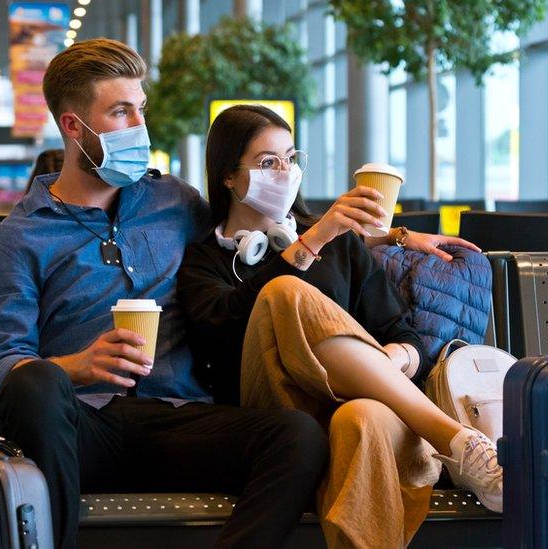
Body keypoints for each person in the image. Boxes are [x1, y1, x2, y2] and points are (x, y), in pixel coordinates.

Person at [0, 39, 331, 549]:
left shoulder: (174, 202)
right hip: (81, 428)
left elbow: (261, 228)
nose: (139, 127)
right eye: (120, 112)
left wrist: (397, 237)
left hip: (178, 420)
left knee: (297, 437)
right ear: (73, 126)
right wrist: (76, 365)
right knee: (36, 385)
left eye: (140, 109)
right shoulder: (19, 239)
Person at [177, 105, 502, 547]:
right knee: (284, 293)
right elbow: (217, 331)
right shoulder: (205, 259)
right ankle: (451, 435)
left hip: (369, 406)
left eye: (291, 158)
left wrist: (384, 362)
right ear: (228, 177)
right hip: (275, 412)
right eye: (267, 162)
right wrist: (312, 242)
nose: (285, 172)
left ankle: (457, 443)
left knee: (360, 416)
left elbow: (406, 337)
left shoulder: (341, 244)